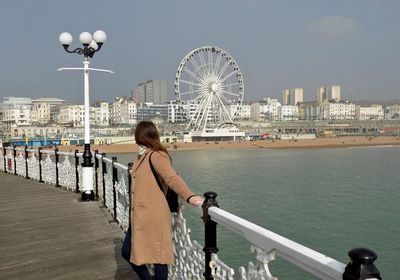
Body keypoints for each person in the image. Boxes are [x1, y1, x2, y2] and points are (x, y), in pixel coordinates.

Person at [124, 121, 203, 280]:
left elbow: (172, 178)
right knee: (127, 251)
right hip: (139, 215)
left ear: (141, 135)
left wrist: (189, 195)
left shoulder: (156, 155)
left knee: (159, 258)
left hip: (153, 215)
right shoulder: (142, 155)